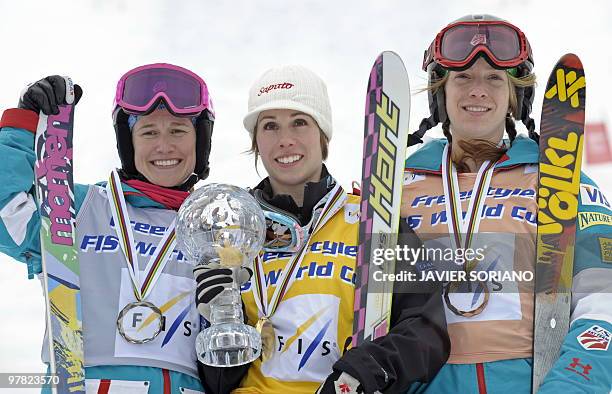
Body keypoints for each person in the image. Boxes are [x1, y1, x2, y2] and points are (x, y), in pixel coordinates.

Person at [194, 65, 450, 394]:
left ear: (323, 135)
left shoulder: (371, 220)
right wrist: (222, 327)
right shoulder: (234, 234)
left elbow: (426, 330)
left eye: (299, 122)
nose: (285, 140)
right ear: (256, 141)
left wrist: (361, 375)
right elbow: (217, 383)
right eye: (269, 126)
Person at [401, 14, 612, 393]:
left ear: (515, 96)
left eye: (494, 78)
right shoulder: (397, 190)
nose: (477, 90)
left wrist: (572, 386)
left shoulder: (561, 181)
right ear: (441, 93)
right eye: (463, 77)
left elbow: (604, 302)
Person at [0, 63, 215, 393]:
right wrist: (23, 125)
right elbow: (6, 211)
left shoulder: (217, 229)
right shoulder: (78, 208)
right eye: (148, 132)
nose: (164, 146)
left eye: (177, 131)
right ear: (128, 144)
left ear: (200, 142)